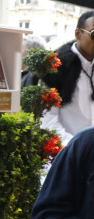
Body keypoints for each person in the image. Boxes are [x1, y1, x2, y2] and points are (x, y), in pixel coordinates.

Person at [33, 10, 94, 146]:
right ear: (78, 34)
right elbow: (47, 121)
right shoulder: (53, 68)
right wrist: (76, 148)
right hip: (67, 155)